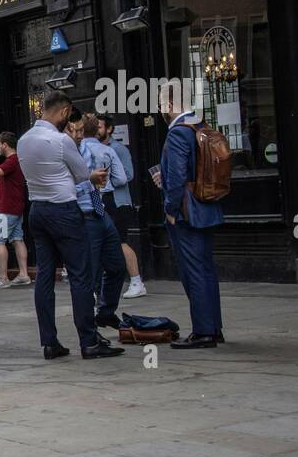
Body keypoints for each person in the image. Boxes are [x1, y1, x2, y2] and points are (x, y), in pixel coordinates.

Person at [17, 91, 123, 360]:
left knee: (44, 276)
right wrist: (94, 176)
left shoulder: (23, 140)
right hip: (63, 210)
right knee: (80, 275)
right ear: (64, 112)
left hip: (37, 210)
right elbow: (80, 175)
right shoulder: (61, 140)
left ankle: (49, 342)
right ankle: (89, 341)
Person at [159, 86, 224, 350]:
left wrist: (170, 211)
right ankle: (213, 327)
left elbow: (176, 177)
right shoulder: (200, 125)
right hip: (205, 206)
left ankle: (203, 331)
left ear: (172, 103)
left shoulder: (177, 133)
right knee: (206, 269)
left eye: (162, 103)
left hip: (186, 211)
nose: (160, 109)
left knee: (193, 271)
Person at [71, 112, 128, 330]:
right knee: (90, 272)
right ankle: (90, 327)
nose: (77, 135)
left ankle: (105, 312)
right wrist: (89, 179)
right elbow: (121, 179)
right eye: (73, 131)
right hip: (85, 213)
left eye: (79, 131)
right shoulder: (73, 152)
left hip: (100, 209)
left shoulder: (95, 150)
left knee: (115, 265)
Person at [96, 114, 146, 298]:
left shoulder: (118, 149)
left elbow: (128, 174)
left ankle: (136, 281)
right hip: (102, 200)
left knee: (120, 242)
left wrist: (105, 176)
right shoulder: (95, 148)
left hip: (119, 202)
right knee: (105, 243)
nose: (97, 130)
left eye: (100, 127)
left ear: (109, 129)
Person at [0, 132, 31, 290]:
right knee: (17, 239)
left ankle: (3, 277)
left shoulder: (12, 160)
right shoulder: (18, 161)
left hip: (5, 208)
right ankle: (24, 274)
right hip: (16, 207)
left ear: (5, 145)